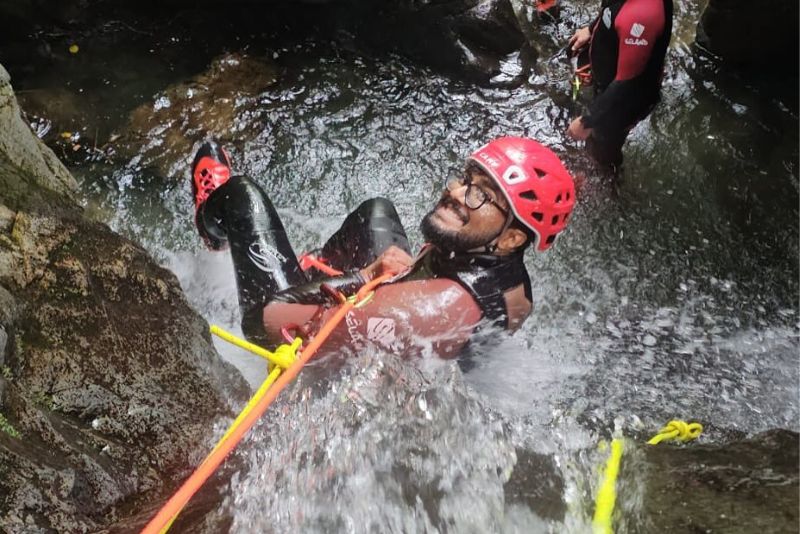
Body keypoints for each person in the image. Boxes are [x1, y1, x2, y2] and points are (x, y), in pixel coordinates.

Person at [191, 137, 575, 359]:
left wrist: (365, 276)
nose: (456, 193)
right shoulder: (503, 274)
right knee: (375, 212)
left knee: (241, 196)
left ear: (511, 238)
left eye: (481, 195)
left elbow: (268, 324)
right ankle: (308, 274)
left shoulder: (435, 309)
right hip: (404, 314)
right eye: (466, 178)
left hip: (333, 346)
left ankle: (214, 226)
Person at [566, 0, 673, 169]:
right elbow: (613, 8)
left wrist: (588, 120)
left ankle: (607, 181)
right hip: (610, 79)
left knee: (605, 145)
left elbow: (627, 83)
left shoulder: (642, 14)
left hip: (625, 98)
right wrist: (591, 28)